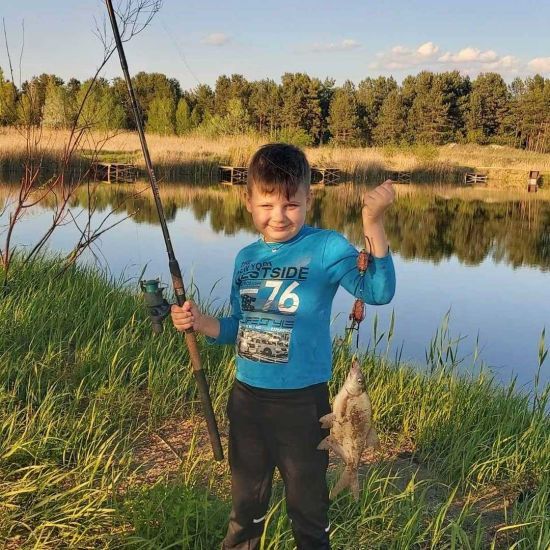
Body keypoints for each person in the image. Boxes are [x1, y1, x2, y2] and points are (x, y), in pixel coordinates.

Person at [171, 143, 396, 550]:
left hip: (303, 405)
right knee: (245, 509)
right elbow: (238, 327)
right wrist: (201, 323)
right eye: (267, 204)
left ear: (309, 199)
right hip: (247, 401)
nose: (278, 215)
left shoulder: (326, 247)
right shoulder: (246, 258)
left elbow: (377, 291)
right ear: (248, 202)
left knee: (308, 512)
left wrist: (373, 222)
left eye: (291, 204)